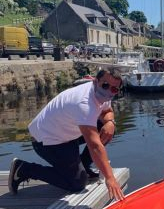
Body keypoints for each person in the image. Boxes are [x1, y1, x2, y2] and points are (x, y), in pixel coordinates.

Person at [8, 68, 125, 201]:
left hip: (67, 134)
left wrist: (110, 122)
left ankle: (84, 167)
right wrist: (110, 178)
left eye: (114, 89)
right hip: (46, 140)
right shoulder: (84, 103)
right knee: (77, 183)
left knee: (107, 128)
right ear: (95, 81)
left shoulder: (102, 94)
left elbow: (107, 111)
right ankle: (24, 169)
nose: (109, 90)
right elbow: (95, 146)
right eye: (105, 85)